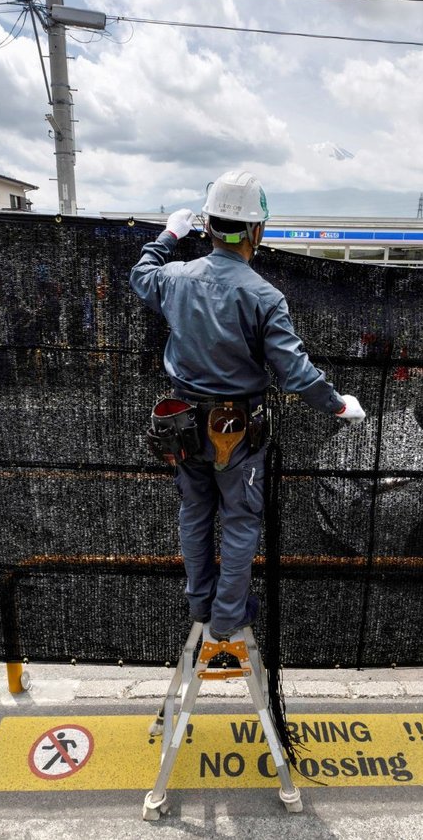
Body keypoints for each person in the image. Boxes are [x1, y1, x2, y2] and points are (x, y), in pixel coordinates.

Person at [130, 170, 365, 641]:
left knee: (195, 512)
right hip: (235, 429)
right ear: (256, 231)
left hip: (182, 426)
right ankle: (226, 616)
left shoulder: (176, 278)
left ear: (209, 226)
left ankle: (201, 603)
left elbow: (141, 275)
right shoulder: (263, 296)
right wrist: (339, 405)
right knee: (238, 520)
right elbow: (295, 373)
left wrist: (168, 236)